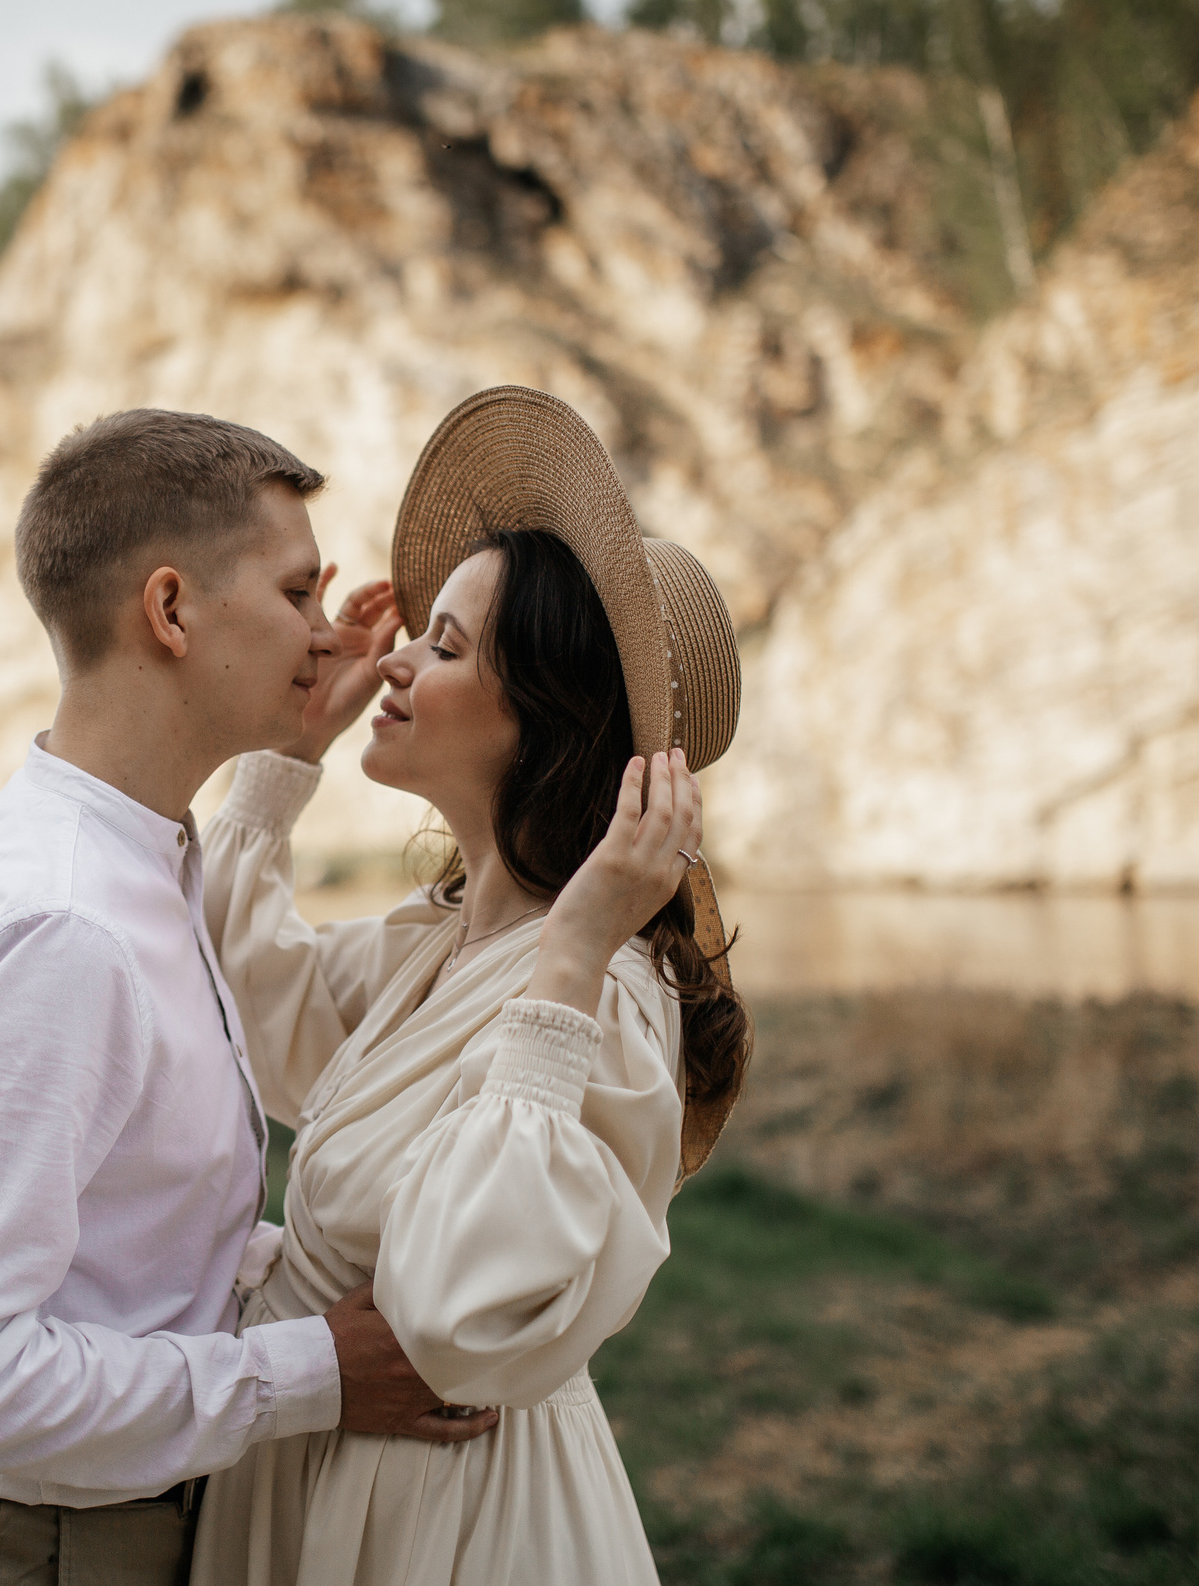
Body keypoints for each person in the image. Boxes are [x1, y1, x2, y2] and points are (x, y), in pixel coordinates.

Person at [0, 409, 497, 1586]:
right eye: (299, 592)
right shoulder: (64, 929)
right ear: (169, 612)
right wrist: (320, 1371)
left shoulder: (139, 857)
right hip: (26, 1555)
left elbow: (124, 1237)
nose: (326, 634)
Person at [187, 386, 754, 1585]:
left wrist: (574, 953)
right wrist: (288, 756)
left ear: (541, 722)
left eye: (444, 646)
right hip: (336, 1491)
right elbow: (241, 995)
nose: (391, 655)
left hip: (451, 1527)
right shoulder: (443, 939)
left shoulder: (597, 991)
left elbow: (455, 1316)